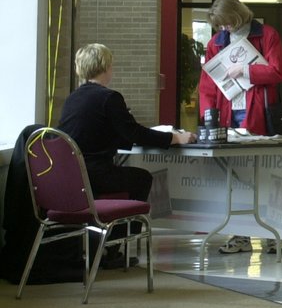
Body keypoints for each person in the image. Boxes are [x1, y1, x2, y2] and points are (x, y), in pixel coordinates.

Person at [58, 43, 196, 267]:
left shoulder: (73, 98)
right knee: (142, 178)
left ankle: (107, 243)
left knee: (129, 176)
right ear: (106, 67)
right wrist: (175, 138)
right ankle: (113, 247)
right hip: (95, 174)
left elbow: (96, 131)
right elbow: (135, 133)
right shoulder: (109, 98)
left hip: (73, 176)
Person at [197, 0, 282, 254]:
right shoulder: (216, 43)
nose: (224, 29)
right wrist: (207, 116)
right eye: (220, 26)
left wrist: (246, 71)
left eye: (226, 23)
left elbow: (278, 71)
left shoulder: (267, 35)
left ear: (236, 15)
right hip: (229, 114)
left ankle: (271, 234)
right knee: (236, 179)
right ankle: (241, 236)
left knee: (263, 176)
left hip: (258, 112)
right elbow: (208, 85)